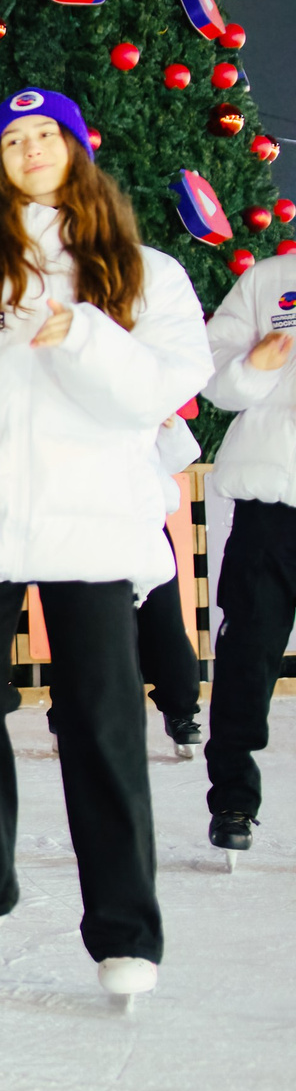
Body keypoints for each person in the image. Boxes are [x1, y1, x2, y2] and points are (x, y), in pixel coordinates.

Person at [0, 89, 207, 999]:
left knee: (100, 719)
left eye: (45, 133)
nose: (29, 149)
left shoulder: (144, 269)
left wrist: (83, 334)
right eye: (13, 139)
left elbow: (168, 382)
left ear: (76, 147)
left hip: (89, 520)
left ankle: (125, 930)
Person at [191, 244, 296, 858]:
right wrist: (254, 365)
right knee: (246, 660)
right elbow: (212, 378)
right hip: (270, 502)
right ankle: (233, 800)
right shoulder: (270, 282)